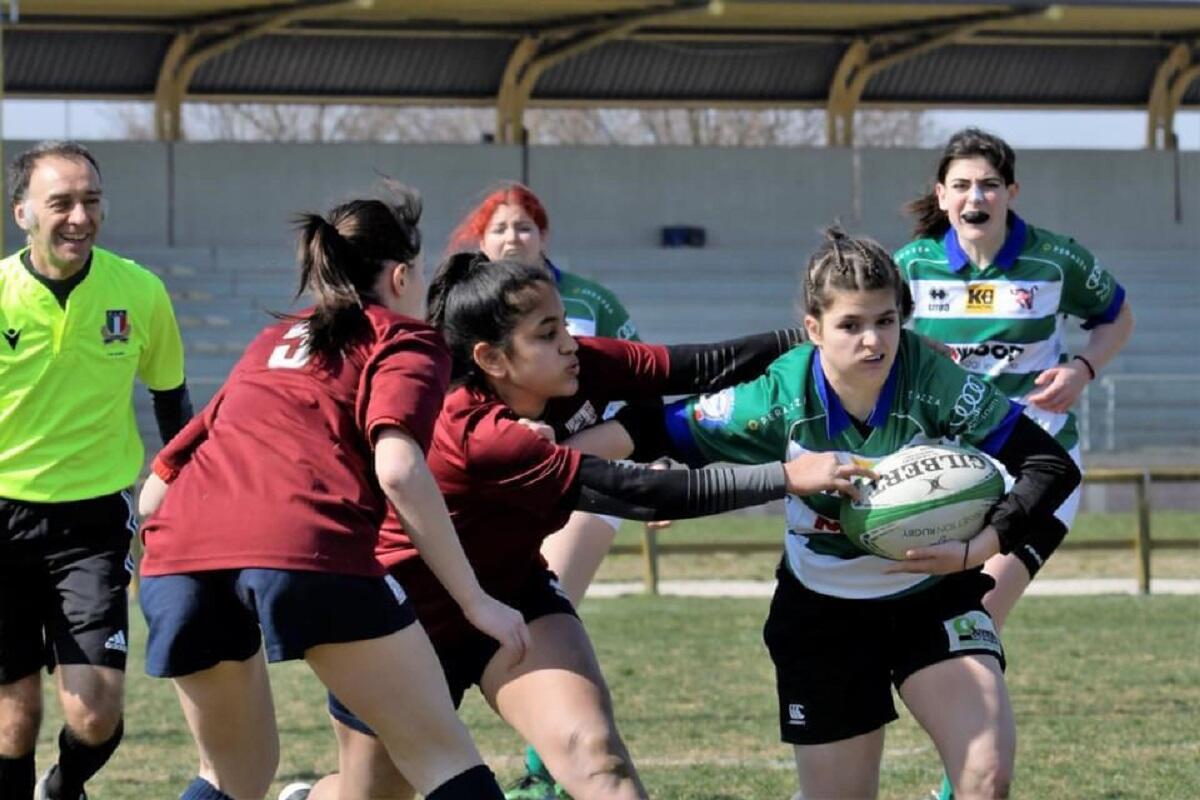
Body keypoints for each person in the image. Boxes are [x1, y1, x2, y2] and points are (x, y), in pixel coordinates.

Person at [299, 254, 865, 800]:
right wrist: (785, 476)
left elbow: (701, 364)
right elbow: (635, 491)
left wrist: (822, 339)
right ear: (492, 359)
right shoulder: (477, 434)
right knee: (373, 794)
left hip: (512, 595)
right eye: (546, 334)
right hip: (405, 622)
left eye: (563, 324)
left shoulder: (576, 366)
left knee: (597, 756)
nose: (569, 342)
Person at [649, 228, 1081, 799]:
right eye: (850, 325)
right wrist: (654, 465)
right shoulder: (777, 397)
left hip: (932, 600)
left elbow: (1049, 464)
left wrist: (979, 549)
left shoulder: (933, 380)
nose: (873, 341)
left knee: (986, 774)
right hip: (823, 612)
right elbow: (658, 431)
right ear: (814, 329)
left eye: (885, 321)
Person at [137, 190, 529, 800]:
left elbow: (154, 496)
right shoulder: (404, 338)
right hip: (303, 547)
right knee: (439, 754)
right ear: (400, 275)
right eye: (420, 272)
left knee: (232, 776)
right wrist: (476, 602)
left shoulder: (273, 341)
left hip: (178, 558)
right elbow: (398, 469)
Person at [894, 128, 1133, 800]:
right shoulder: (909, 265)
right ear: (942, 196)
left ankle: (965, 784)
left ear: (1011, 194)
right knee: (914, 625)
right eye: (963, 185)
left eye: (990, 184)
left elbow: (1118, 316)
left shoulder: (1055, 261)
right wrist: (914, 357)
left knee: (976, 621)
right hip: (945, 471)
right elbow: (872, 341)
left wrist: (1083, 368)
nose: (978, 196)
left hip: (1041, 468)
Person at [0, 140, 191, 800]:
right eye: (61, 203)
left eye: (91, 201)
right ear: (22, 210)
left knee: (94, 710)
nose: (80, 216)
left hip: (92, 523)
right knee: (12, 720)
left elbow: (172, 401)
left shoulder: (138, 291)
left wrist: (185, 493)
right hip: (3, 519)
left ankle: (63, 786)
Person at [447, 184, 647, 800]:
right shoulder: (460, 313)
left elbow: (645, 385)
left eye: (526, 227)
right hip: (465, 527)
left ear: (546, 237)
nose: (515, 238)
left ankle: (555, 764)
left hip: (577, 481)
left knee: (546, 606)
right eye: (501, 228)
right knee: (385, 781)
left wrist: (652, 459)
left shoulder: (592, 301)